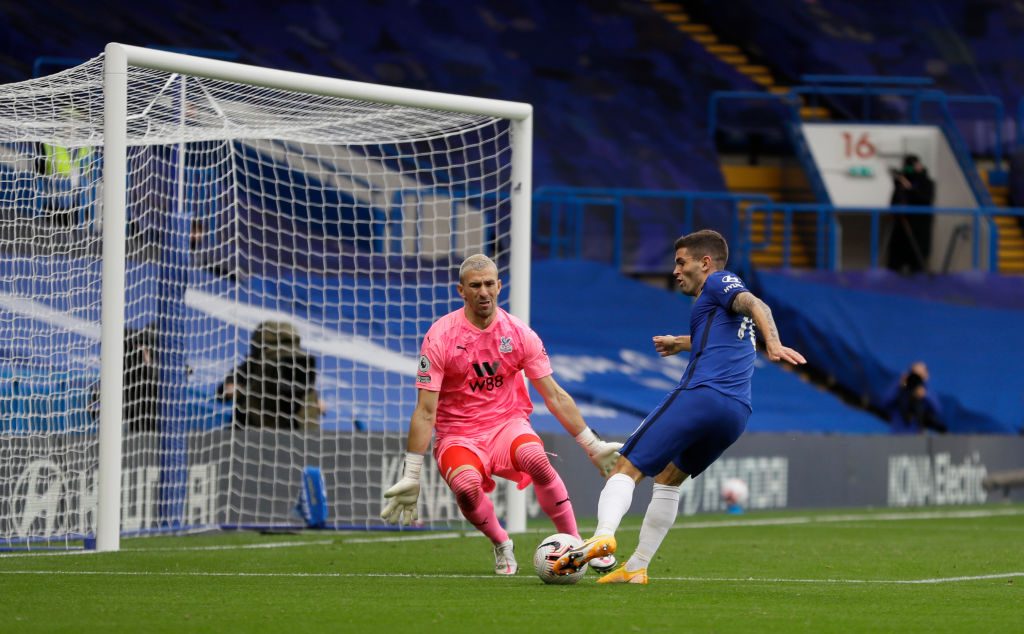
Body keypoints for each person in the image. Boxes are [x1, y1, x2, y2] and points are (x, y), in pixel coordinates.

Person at [551, 229, 806, 584]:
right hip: (736, 413)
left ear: (706, 263)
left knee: (626, 467)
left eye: (681, 262)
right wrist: (679, 343)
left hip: (703, 394)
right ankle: (637, 566)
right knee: (669, 478)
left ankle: (603, 535)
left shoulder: (719, 281)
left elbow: (757, 304)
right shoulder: (717, 306)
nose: (675, 271)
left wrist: (774, 344)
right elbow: (718, 337)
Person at [379, 254, 622, 575]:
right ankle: (501, 542)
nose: (483, 292)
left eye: (489, 284)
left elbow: (554, 395)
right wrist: (412, 474)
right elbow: (425, 411)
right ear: (461, 291)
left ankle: (577, 544)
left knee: (536, 459)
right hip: (458, 434)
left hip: (507, 424)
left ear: (499, 286)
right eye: (475, 285)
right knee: (466, 487)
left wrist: (592, 445)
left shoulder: (518, 333)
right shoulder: (440, 337)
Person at [216, 320, 324, 430]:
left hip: (288, 420)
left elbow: (306, 386)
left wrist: (315, 401)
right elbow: (225, 390)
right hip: (257, 420)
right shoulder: (254, 364)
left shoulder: (297, 360)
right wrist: (231, 388)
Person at [887, 154, 936, 274]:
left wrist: (909, 188)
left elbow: (925, 199)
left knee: (917, 260)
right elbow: (894, 202)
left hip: (919, 228)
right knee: (896, 257)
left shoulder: (926, 183)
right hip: (901, 226)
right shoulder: (900, 184)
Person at [879, 361, 946, 434]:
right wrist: (900, 385)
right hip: (897, 436)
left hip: (917, 437)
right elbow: (884, 403)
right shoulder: (899, 390)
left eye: (919, 375)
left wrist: (925, 395)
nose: (916, 378)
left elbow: (938, 411)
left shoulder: (927, 393)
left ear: (926, 376)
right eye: (914, 373)